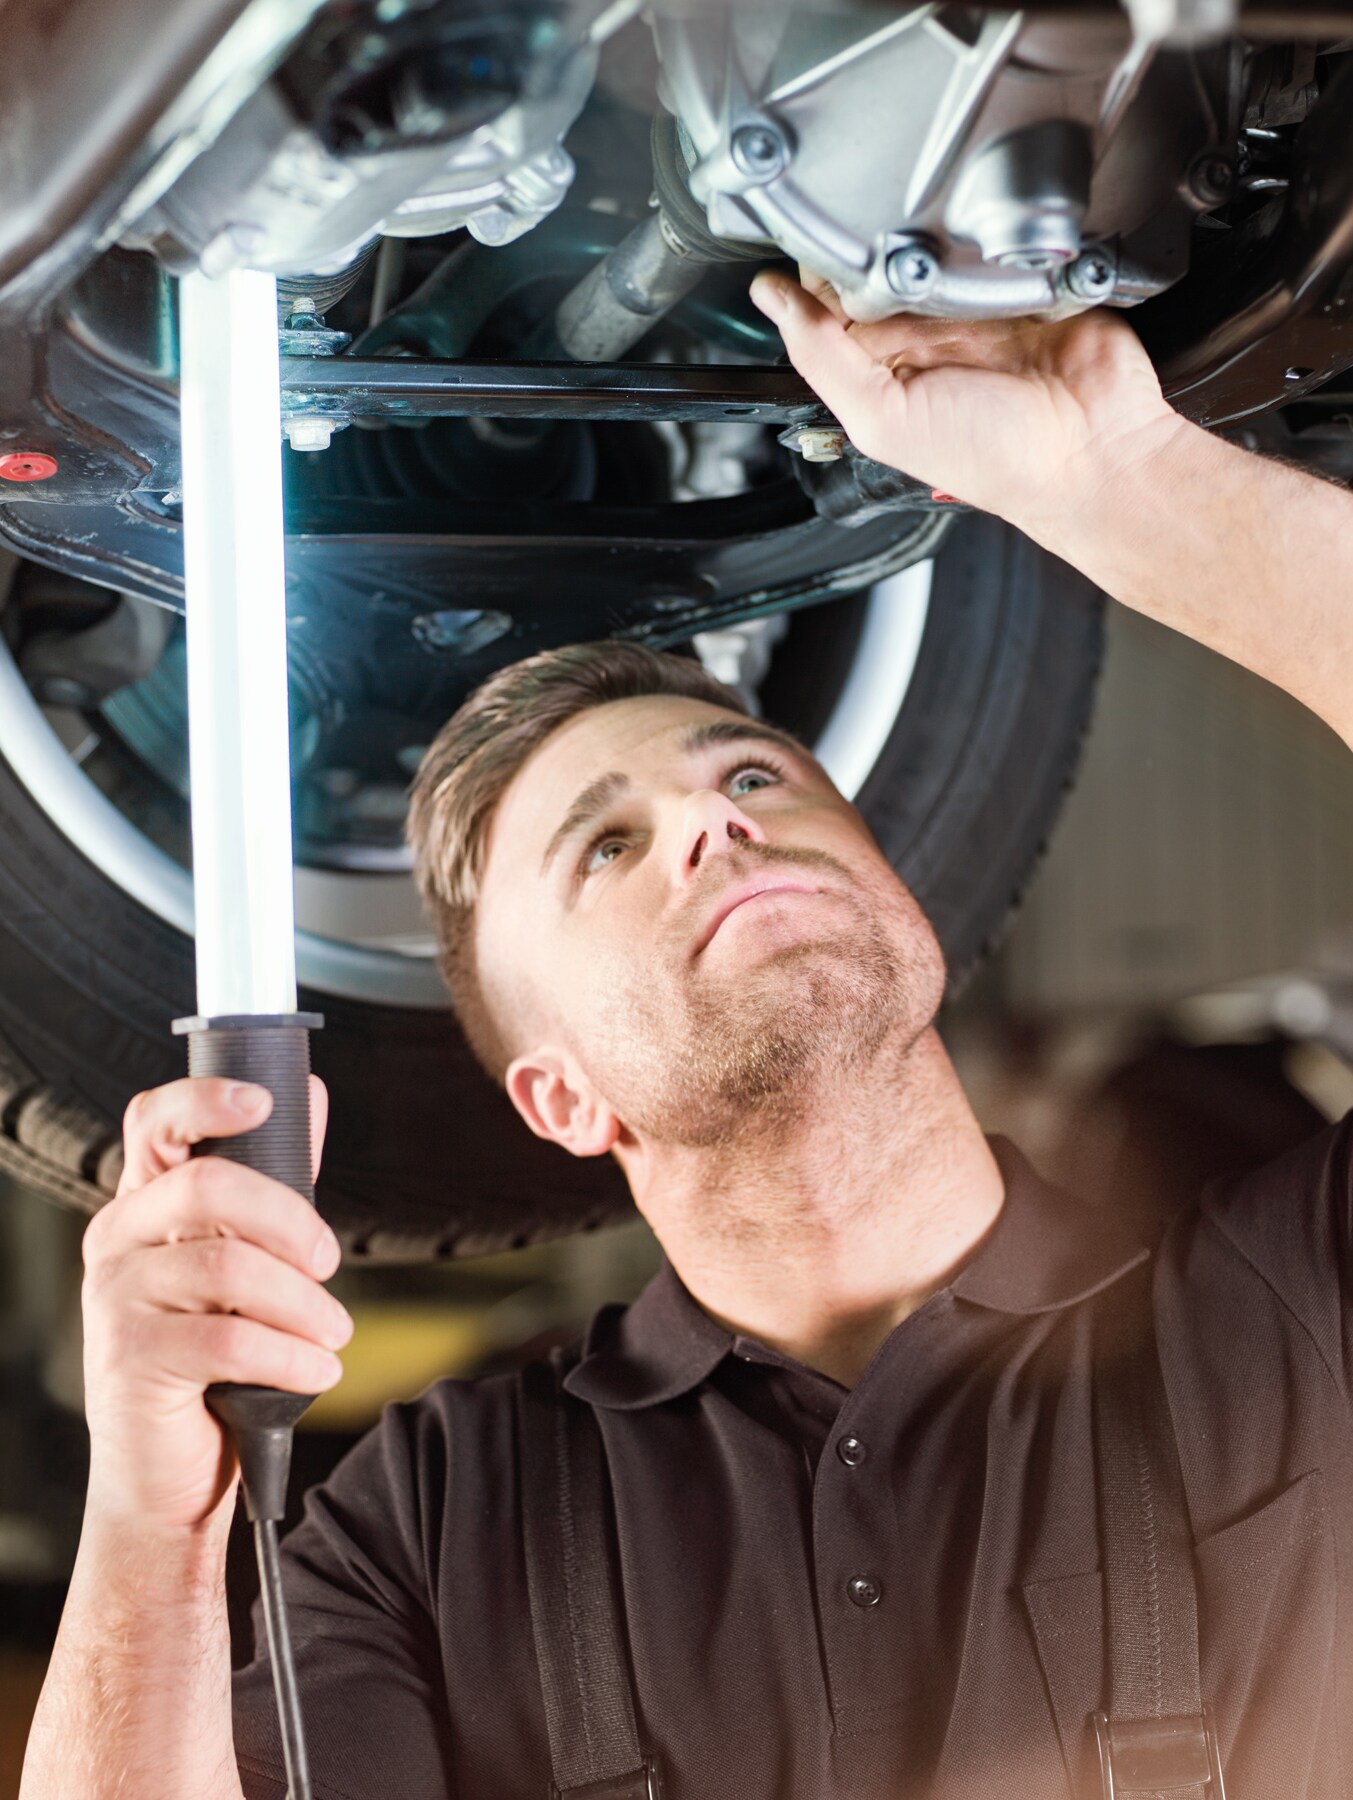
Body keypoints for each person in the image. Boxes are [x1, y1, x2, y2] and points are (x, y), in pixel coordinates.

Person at [19, 272, 1353, 1800]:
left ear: (904, 900)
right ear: (559, 1095)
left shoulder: (1290, 1313)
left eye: (757, 781)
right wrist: (155, 1525)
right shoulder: (447, 1518)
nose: (715, 829)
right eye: (603, 847)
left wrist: (1121, 479)